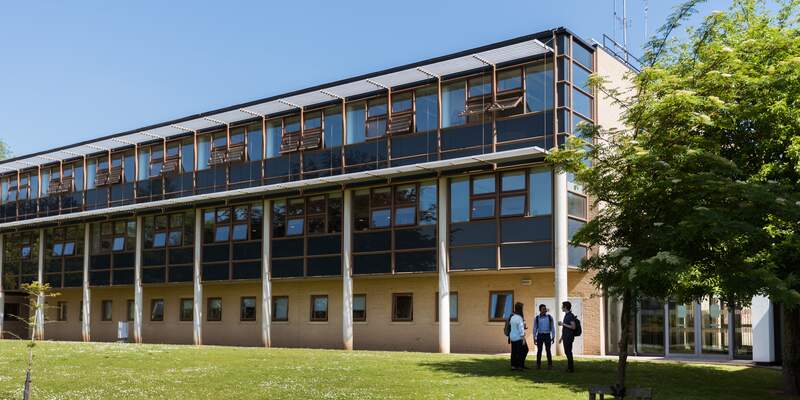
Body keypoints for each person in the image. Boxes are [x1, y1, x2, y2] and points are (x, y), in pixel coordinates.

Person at [508, 302, 528, 371]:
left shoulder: (512, 317)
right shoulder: (519, 318)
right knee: (524, 350)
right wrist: (523, 338)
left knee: (514, 352)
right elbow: (521, 329)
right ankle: (520, 366)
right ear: (520, 309)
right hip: (518, 337)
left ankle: (513, 366)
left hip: (512, 337)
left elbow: (511, 325)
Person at [533, 304, 554, 369]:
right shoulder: (537, 318)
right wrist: (534, 337)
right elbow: (535, 328)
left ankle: (550, 365)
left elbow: (552, 327)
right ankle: (538, 364)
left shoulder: (550, 317)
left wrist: (553, 336)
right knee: (539, 350)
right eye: (543, 309)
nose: (545, 310)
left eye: (545, 309)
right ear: (540, 310)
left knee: (548, 350)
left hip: (547, 335)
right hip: (540, 335)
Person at [558, 301, 576, 372]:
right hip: (565, 337)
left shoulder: (570, 315)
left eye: (562, 306)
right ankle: (569, 367)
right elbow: (565, 329)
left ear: (565, 307)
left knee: (568, 352)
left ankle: (571, 368)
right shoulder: (566, 315)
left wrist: (563, 324)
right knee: (567, 352)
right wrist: (561, 338)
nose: (561, 308)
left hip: (569, 337)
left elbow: (573, 327)